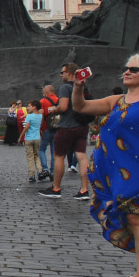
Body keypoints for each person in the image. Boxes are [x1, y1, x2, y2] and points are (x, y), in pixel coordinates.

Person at [75, 55, 139, 277]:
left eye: (134, 69)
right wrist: (78, 88)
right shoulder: (117, 100)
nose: (127, 72)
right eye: (126, 68)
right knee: (132, 219)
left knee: (137, 218)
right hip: (118, 171)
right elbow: (81, 107)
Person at [41, 64, 93, 200]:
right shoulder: (83, 87)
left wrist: (54, 110)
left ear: (69, 73)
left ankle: (56, 188)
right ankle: (84, 190)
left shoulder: (65, 87)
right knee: (82, 157)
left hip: (67, 126)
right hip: (82, 126)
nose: (60, 75)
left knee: (59, 156)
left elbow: (63, 107)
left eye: (62, 72)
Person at [19, 100, 44, 183]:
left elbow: (26, 127)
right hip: (37, 138)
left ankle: (32, 175)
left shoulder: (29, 116)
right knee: (37, 155)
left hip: (29, 138)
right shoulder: (40, 116)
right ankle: (40, 171)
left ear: (34, 107)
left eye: (29, 106)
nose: (28, 108)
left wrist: (20, 137)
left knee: (30, 157)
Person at [38, 84, 58, 181]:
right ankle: (53, 172)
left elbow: (41, 116)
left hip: (46, 128)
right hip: (57, 128)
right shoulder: (59, 101)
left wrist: (40, 128)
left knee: (41, 149)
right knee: (54, 151)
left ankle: (45, 168)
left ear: (46, 92)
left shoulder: (42, 101)